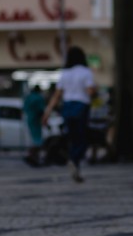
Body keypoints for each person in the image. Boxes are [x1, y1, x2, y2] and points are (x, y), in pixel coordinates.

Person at [42, 46, 96, 182]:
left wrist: (47, 112)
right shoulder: (86, 72)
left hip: (67, 107)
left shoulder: (64, 73)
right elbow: (90, 91)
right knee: (82, 138)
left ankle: (75, 166)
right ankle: (74, 160)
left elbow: (56, 95)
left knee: (72, 138)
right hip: (81, 106)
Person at [22, 85, 47, 167]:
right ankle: (33, 155)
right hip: (36, 119)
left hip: (30, 118)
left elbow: (24, 108)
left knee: (33, 137)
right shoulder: (39, 98)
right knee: (38, 138)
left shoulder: (29, 97)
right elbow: (41, 110)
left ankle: (33, 155)